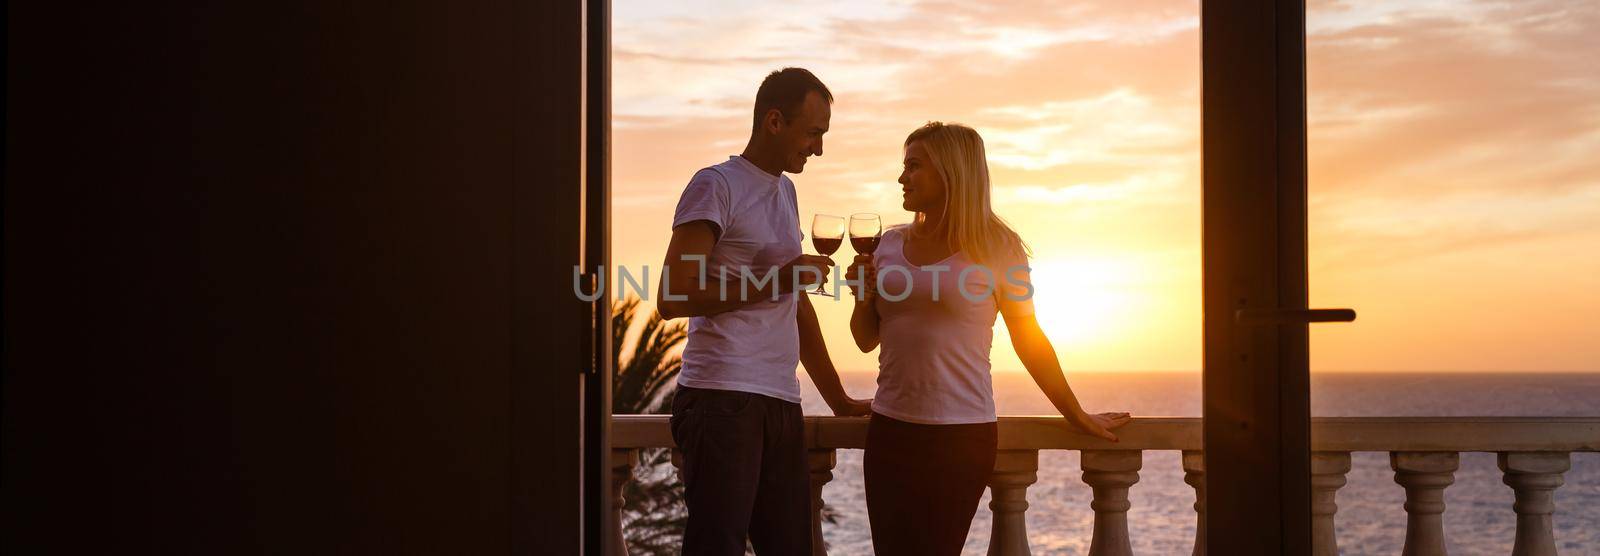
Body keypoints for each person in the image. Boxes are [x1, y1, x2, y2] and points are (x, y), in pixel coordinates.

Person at [845, 121, 1131, 556]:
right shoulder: (888, 244)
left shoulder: (999, 248)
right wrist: (861, 298)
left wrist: (1076, 414)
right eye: (904, 167)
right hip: (890, 431)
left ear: (952, 172)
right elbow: (866, 340)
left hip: (960, 436)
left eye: (914, 166)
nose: (902, 178)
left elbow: (1028, 338)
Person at [655, 67, 872, 556]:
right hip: (721, 399)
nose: (818, 148)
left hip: (779, 401)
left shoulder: (786, 192)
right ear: (774, 121)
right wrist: (780, 280)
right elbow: (673, 294)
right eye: (813, 132)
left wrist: (837, 398)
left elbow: (794, 305)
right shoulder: (715, 185)